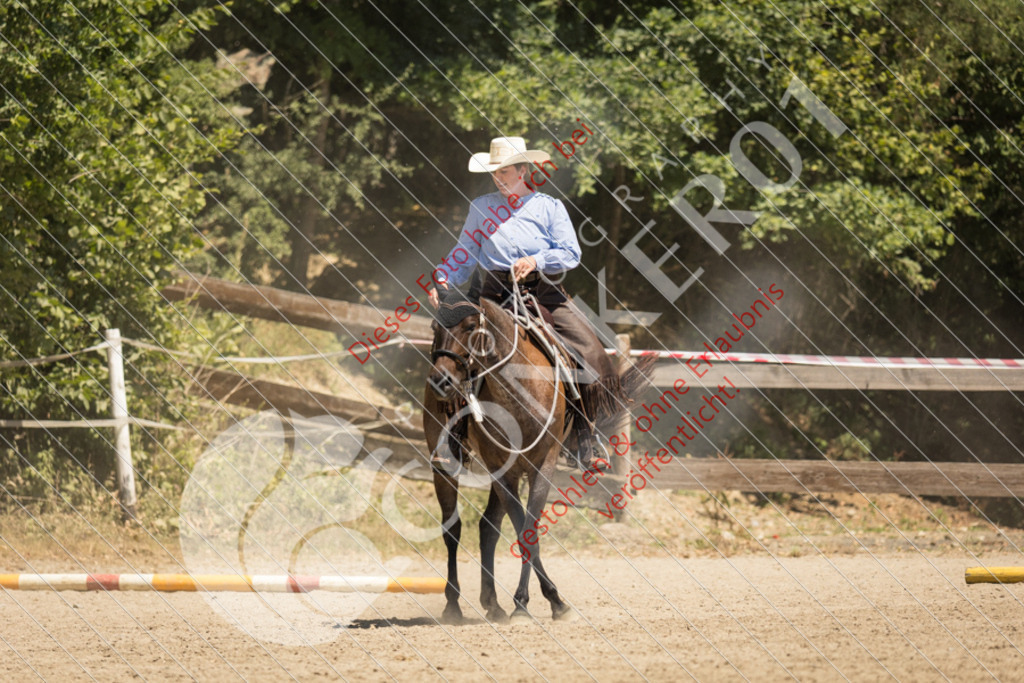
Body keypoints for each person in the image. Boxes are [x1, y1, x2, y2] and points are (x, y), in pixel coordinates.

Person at [426, 136, 620, 469]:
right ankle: (455, 435)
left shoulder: (549, 206)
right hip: (492, 295)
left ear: (523, 171)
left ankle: (586, 437)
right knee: (455, 347)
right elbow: (465, 253)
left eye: (505, 172)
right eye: (494, 173)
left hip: (543, 293)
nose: (498, 179)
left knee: (592, 352)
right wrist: (443, 278)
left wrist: (537, 260)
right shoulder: (481, 207)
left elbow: (571, 253)